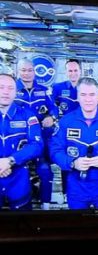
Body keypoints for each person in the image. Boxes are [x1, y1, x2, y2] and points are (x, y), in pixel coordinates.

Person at [49, 77, 98, 210]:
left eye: (92, 94)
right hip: (76, 188)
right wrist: (72, 162)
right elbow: (55, 151)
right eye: (83, 94)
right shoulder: (66, 122)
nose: (88, 99)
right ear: (77, 97)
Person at [15, 58, 57, 209]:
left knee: (45, 170)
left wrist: (51, 117)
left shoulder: (44, 89)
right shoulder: (12, 90)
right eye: (23, 70)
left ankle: (45, 203)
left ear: (34, 71)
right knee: (18, 173)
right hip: (17, 139)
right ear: (17, 72)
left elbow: (54, 108)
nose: (26, 74)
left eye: (29, 70)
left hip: (40, 138)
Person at [0, 73, 43, 210]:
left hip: (19, 181)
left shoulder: (27, 115)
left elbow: (37, 145)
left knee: (22, 226)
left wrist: (10, 161)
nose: (6, 92)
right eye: (1, 87)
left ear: (15, 91)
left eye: (10, 88)